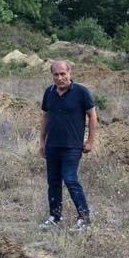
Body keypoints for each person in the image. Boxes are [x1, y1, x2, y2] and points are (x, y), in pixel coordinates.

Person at [39, 60, 97, 230]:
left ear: (69, 73)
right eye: (56, 74)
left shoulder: (81, 92)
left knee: (70, 179)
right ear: (52, 75)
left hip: (72, 146)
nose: (59, 78)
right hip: (52, 146)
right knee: (53, 181)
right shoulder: (48, 93)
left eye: (63, 74)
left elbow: (93, 117)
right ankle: (55, 217)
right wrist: (42, 142)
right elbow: (45, 117)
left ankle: (84, 218)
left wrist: (90, 141)